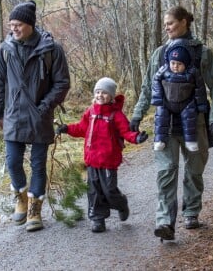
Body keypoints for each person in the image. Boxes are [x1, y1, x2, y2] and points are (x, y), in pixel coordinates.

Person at [130, 6, 213, 240]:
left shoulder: (203, 53)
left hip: (197, 123)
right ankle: (165, 221)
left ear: (184, 22)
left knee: (194, 171)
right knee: (166, 171)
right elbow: (147, 88)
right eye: (165, 23)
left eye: (170, 23)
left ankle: (191, 212)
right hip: (166, 124)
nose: (166, 27)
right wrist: (137, 115)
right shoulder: (160, 54)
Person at [0, 0, 70, 232]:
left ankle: (35, 210)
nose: (13, 29)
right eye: (11, 24)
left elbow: (62, 83)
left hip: (40, 116)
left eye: (17, 24)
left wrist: (44, 107)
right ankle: (21, 198)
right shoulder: (6, 49)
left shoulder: (51, 50)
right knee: (13, 161)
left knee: (38, 165)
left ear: (30, 25)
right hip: (13, 115)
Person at [56, 77, 148, 233]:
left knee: (109, 190)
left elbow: (126, 132)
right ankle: (98, 219)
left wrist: (137, 137)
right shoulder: (90, 112)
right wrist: (67, 129)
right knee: (94, 190)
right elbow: (81, 128)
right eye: (98, 92)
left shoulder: (115, 115)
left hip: (108, 160)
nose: (100, 95)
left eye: (104, 93)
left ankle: (121, 203)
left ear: (111, 96)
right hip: (92, 159)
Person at [151, 40, 208, 152]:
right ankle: (159, 140)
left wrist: (201, 105)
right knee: (161, 117)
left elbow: (200, 89)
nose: (175, 67)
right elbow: (155, 81)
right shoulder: (164, 70)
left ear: (186, 64)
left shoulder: (193, 72)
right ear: (169, 62)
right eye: (173, 63)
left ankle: (190, 141)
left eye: (179, 64)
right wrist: (157, 98)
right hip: (167, 102)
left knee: (190, 118)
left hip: (186, 102)